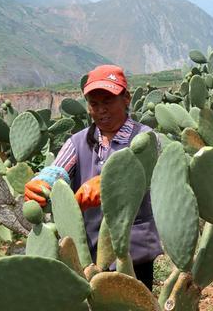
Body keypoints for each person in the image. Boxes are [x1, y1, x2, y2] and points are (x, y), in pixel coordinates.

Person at [24, 65, 162, 290]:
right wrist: (43, 183)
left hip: (134, 250)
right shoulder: (77, 142)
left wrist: (112, 184)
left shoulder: (146, 138)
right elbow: (58, 171)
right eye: (94, 104)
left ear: (126, 98)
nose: (101, 110)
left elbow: (149, 174)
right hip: (88, 250)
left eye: (107, 101)